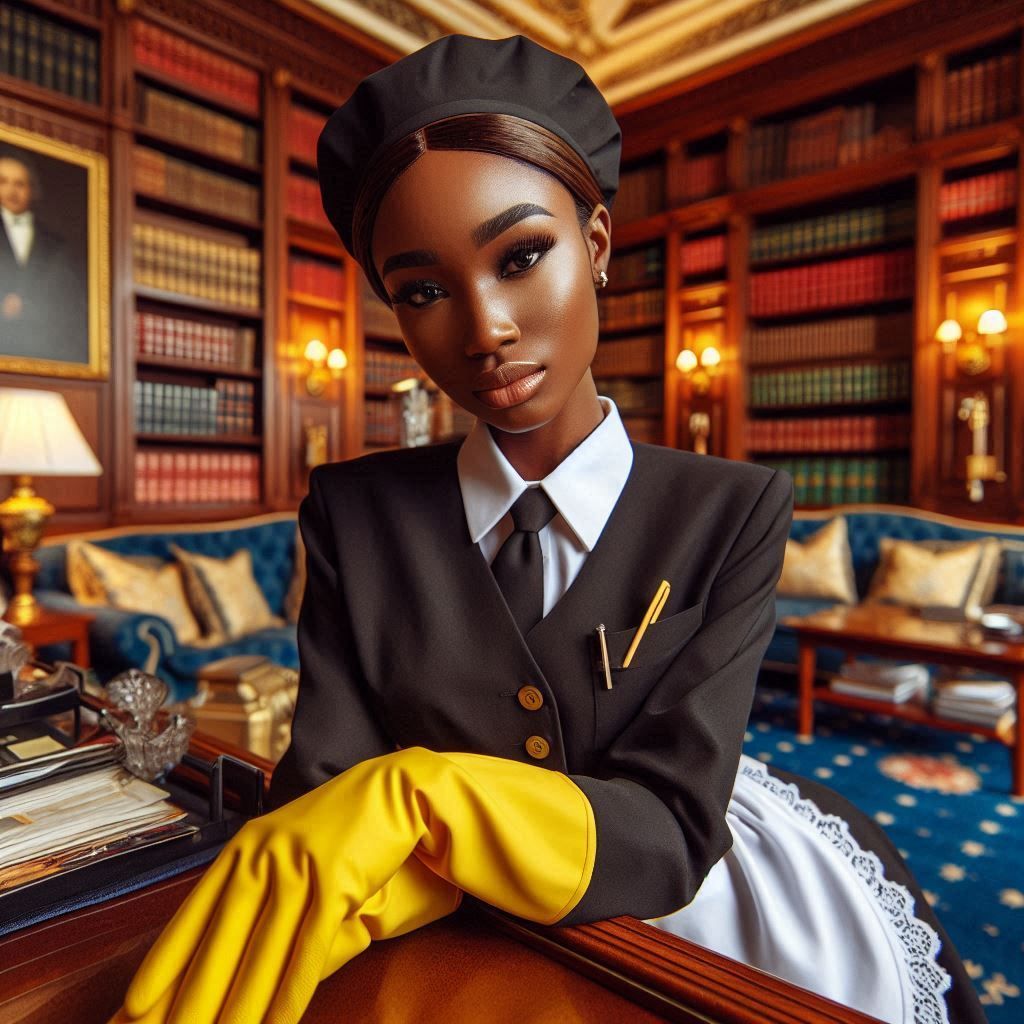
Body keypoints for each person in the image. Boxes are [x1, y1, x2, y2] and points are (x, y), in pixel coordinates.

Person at [110, 35, 985, 1024]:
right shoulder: (351, 510)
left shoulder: (733, 509)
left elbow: (670, 827)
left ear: (597, 244)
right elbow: (325, 785)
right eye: (423, 291)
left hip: (677, 913)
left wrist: (427, 801)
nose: (484, 327)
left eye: (521, 257)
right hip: (446, 935)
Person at [0, 149, 84, 360]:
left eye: (20, 184)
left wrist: (29, 308)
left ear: (32, 190)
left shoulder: (54, 243)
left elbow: (66, 300)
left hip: (43, 346)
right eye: (3, 182)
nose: (12, 191)